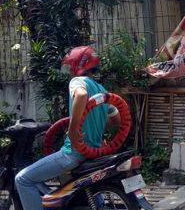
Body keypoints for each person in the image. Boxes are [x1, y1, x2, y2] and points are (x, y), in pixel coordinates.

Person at [15, 46, 120, 210]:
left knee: (23, 179)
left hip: (73, 154)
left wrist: (73, 128)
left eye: (70, 66)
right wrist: (95, 124)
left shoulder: (77, 82)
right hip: (94, 154)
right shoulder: (102, 90)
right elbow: (116, 119)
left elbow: (81, 95)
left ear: (78, 65)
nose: (69, 71)